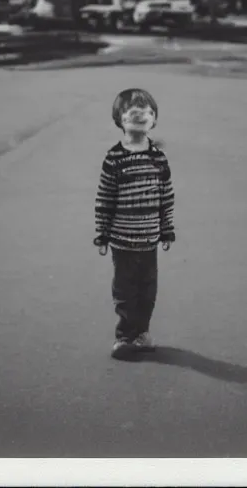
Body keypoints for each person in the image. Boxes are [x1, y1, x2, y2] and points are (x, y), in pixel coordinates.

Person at [94, 88, 175, 359]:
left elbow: (166, 197)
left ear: (154, 120)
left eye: (147, 112)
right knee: (125, 290)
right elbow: (105, 197)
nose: (139, 115)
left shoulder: (158, 158)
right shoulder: (114, 158)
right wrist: (102, 233)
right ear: (119, 119)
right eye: (132, 112)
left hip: (150, 238)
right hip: (121, 239)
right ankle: (124, 337)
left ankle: (142, 333)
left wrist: (167, 229)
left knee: (147, 290)